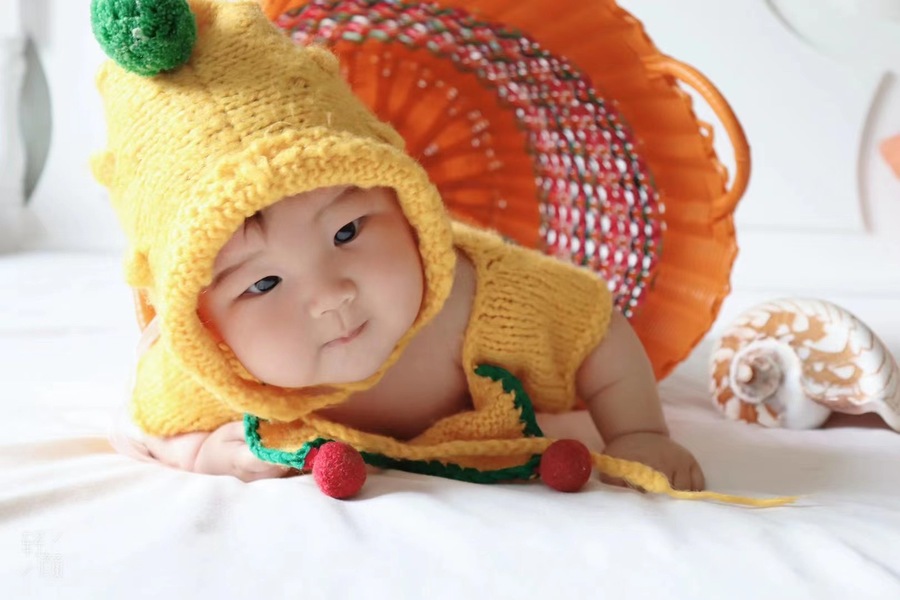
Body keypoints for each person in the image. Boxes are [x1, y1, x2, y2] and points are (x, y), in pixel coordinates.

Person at [94, 0, 706, 495]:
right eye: (262, 283)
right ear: (203, 323)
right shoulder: (208, 372)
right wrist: (201, 452)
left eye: (347, 232)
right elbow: (144, 423)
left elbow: (597, 328)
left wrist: (638, 433)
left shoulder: (488, 298)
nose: (331, 296)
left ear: (405, 206)